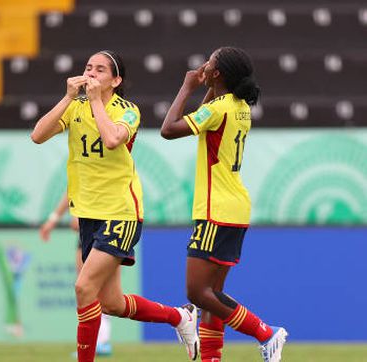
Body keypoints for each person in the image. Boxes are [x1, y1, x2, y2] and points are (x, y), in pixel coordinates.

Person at [31, 50, 199, 362]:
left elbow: (111, 139)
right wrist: (67, 98)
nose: (91, 74)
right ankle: (180, 318)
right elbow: (37, 135)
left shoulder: (128, 111)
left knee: (83, 288)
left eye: (100, 70)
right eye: (88, 68)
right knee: (111, 303)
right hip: (88, 214)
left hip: (121, 213)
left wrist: (95, 102)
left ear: (116, 80)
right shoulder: (76, 106)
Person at [160, 46, 288, 362]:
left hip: (214, 210)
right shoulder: (238, 106)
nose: (204, 62)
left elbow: (168, 129)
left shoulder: (218, 109)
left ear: (216, 73)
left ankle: (265, 332)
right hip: (235, 208)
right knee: (211, 296)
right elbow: (203, 117)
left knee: (196, 293)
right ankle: (212, 359)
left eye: (211, 60)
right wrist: (206, 89)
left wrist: (188, 86)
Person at [40, 193, 113, 357]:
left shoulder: (100, 173)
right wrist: (54, 218)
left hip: (109, 229)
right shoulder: (78, 173)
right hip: (88, 233)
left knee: (103, 293)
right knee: (87, 288)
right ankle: (98, 341)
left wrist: (77, 214)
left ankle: (102, 341)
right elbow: (70, 192)